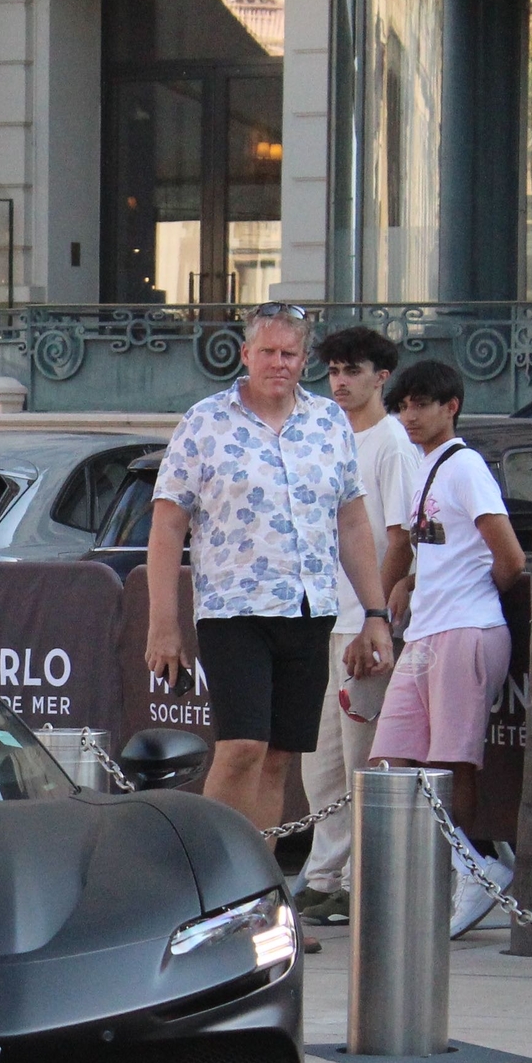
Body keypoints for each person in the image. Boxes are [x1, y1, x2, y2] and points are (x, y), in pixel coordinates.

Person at [145, 304, 394, 834]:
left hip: (309, 611)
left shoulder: (329, 423)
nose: (278, 363)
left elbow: (351, 523)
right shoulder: (205, 422)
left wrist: (375, 611)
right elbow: (167, 527)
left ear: (304, 359)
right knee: (241, 749)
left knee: (279, 757)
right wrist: (163, 624)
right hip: (234, 611)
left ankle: (257, 881)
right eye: (268, 352)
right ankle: (212, 879)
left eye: (289, 353)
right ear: (245, 355)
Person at [371, 357, 526, 937]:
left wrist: (472, 590)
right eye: (403, 405)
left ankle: (470, 876)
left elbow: (508, 559)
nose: (410, 415)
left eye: (421, 404)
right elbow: (431, 549)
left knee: (451, 761)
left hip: (468, 627)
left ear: (450, 406)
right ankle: (460, 870)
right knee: (391, 761)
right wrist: (409, 584)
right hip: (427, 629)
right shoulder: (424, 469)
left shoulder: (466, 469)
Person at [296, 326, 420, 928]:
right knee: (317, 760)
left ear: (381, 377)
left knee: (360, 759)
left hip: (361, 625)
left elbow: (400, 538)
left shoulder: (392, 444)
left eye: (353, 370)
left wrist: (378, 619)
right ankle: (322, 876)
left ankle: (356, 881)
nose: (340, 382)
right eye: (333, 371)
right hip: (320, 614)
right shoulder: (325, 433)